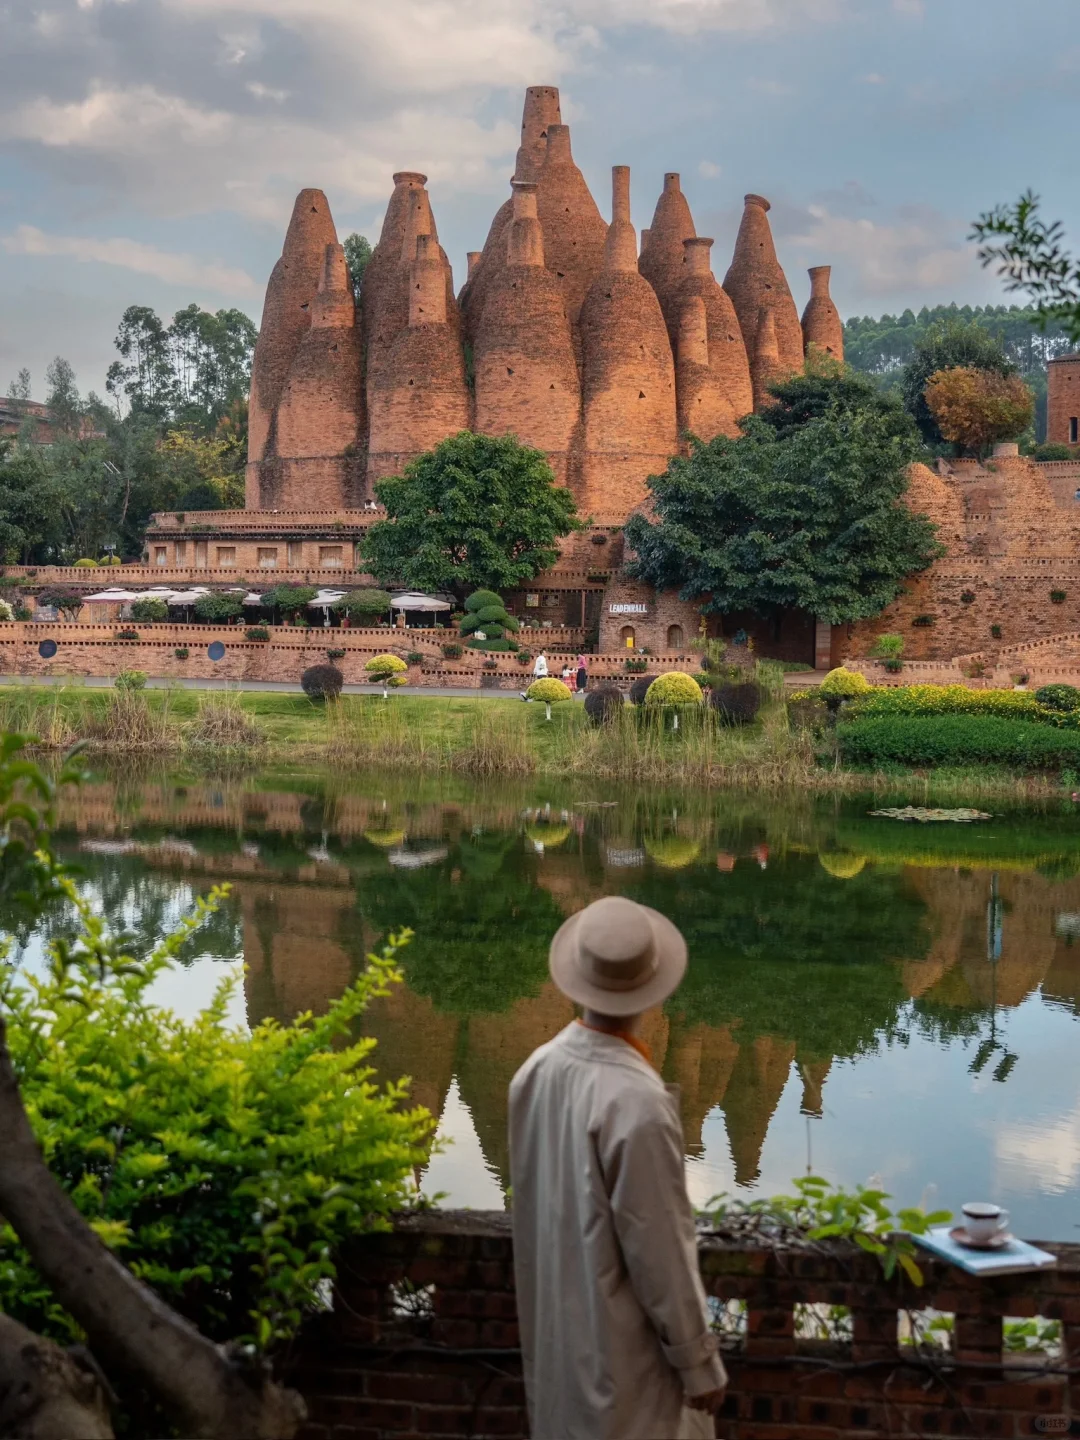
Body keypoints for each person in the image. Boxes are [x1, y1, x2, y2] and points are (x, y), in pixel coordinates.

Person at [509, 897, 727, 1440]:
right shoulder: (637, 1101)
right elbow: (661, 1253)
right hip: (624, 1364)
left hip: (556, 1341)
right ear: (653, 985)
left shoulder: (535, 1072)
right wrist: (698, 1363)